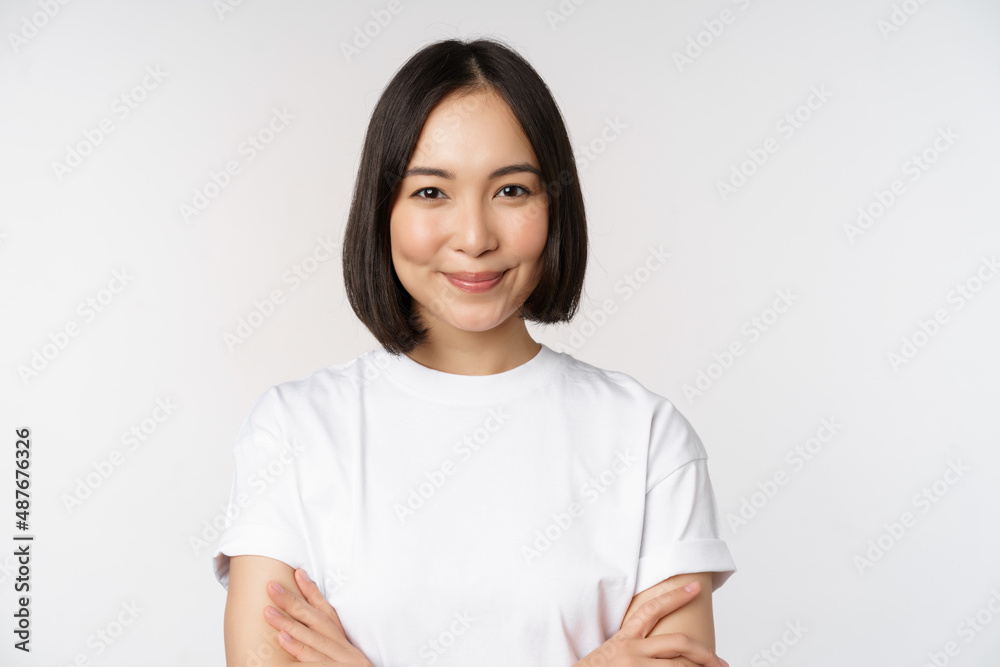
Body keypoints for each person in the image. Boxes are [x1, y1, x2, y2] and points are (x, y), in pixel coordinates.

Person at [213, 36, 736, 667]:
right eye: (432, 193)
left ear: (555, 205)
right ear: (383, 210)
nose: (475, 237)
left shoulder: (649, 438)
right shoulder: (293, 433)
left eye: (511, 190)